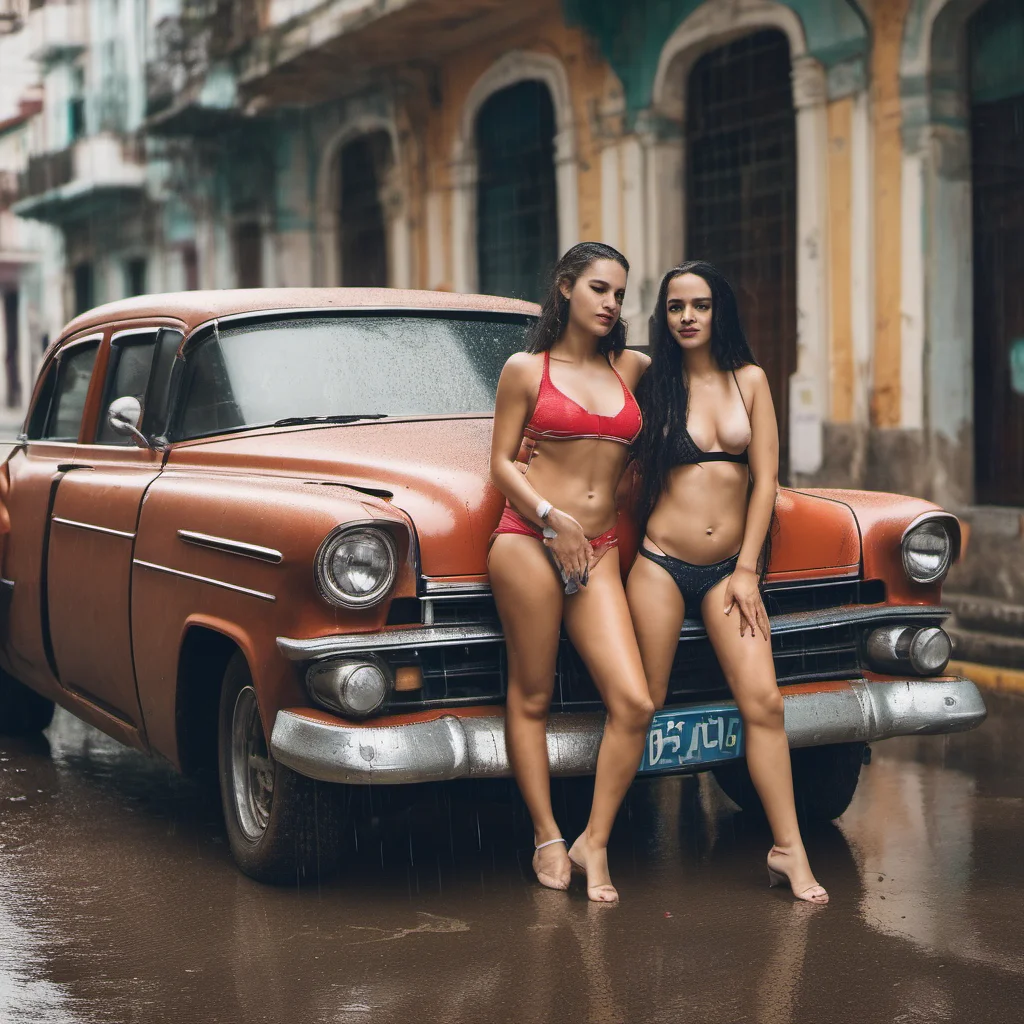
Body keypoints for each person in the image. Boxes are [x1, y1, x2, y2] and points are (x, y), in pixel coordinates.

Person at [626, 260, 828, 905]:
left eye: (701, 305)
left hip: (728, 573)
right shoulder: (649, 380)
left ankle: (788, 849)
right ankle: (595, 837)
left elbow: (765, 478)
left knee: (764, 702)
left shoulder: (751, 381)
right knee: (641, 702)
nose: (688, 316)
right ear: (664, 317)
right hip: (659, 561)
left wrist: (748, 571)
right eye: (676, 306)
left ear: (720, 312)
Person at [488, 242, 653, 904]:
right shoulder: (526, 369)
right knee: (532, 695)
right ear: (564, 289)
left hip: (602, 548)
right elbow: (501, 462)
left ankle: (595, 840)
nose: (612, 303)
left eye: (619, 293)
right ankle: (547, 834)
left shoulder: (633, 368)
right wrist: (552, 517)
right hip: (530, 539)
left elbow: (707, 368)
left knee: (634, 702)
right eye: (599, 289)